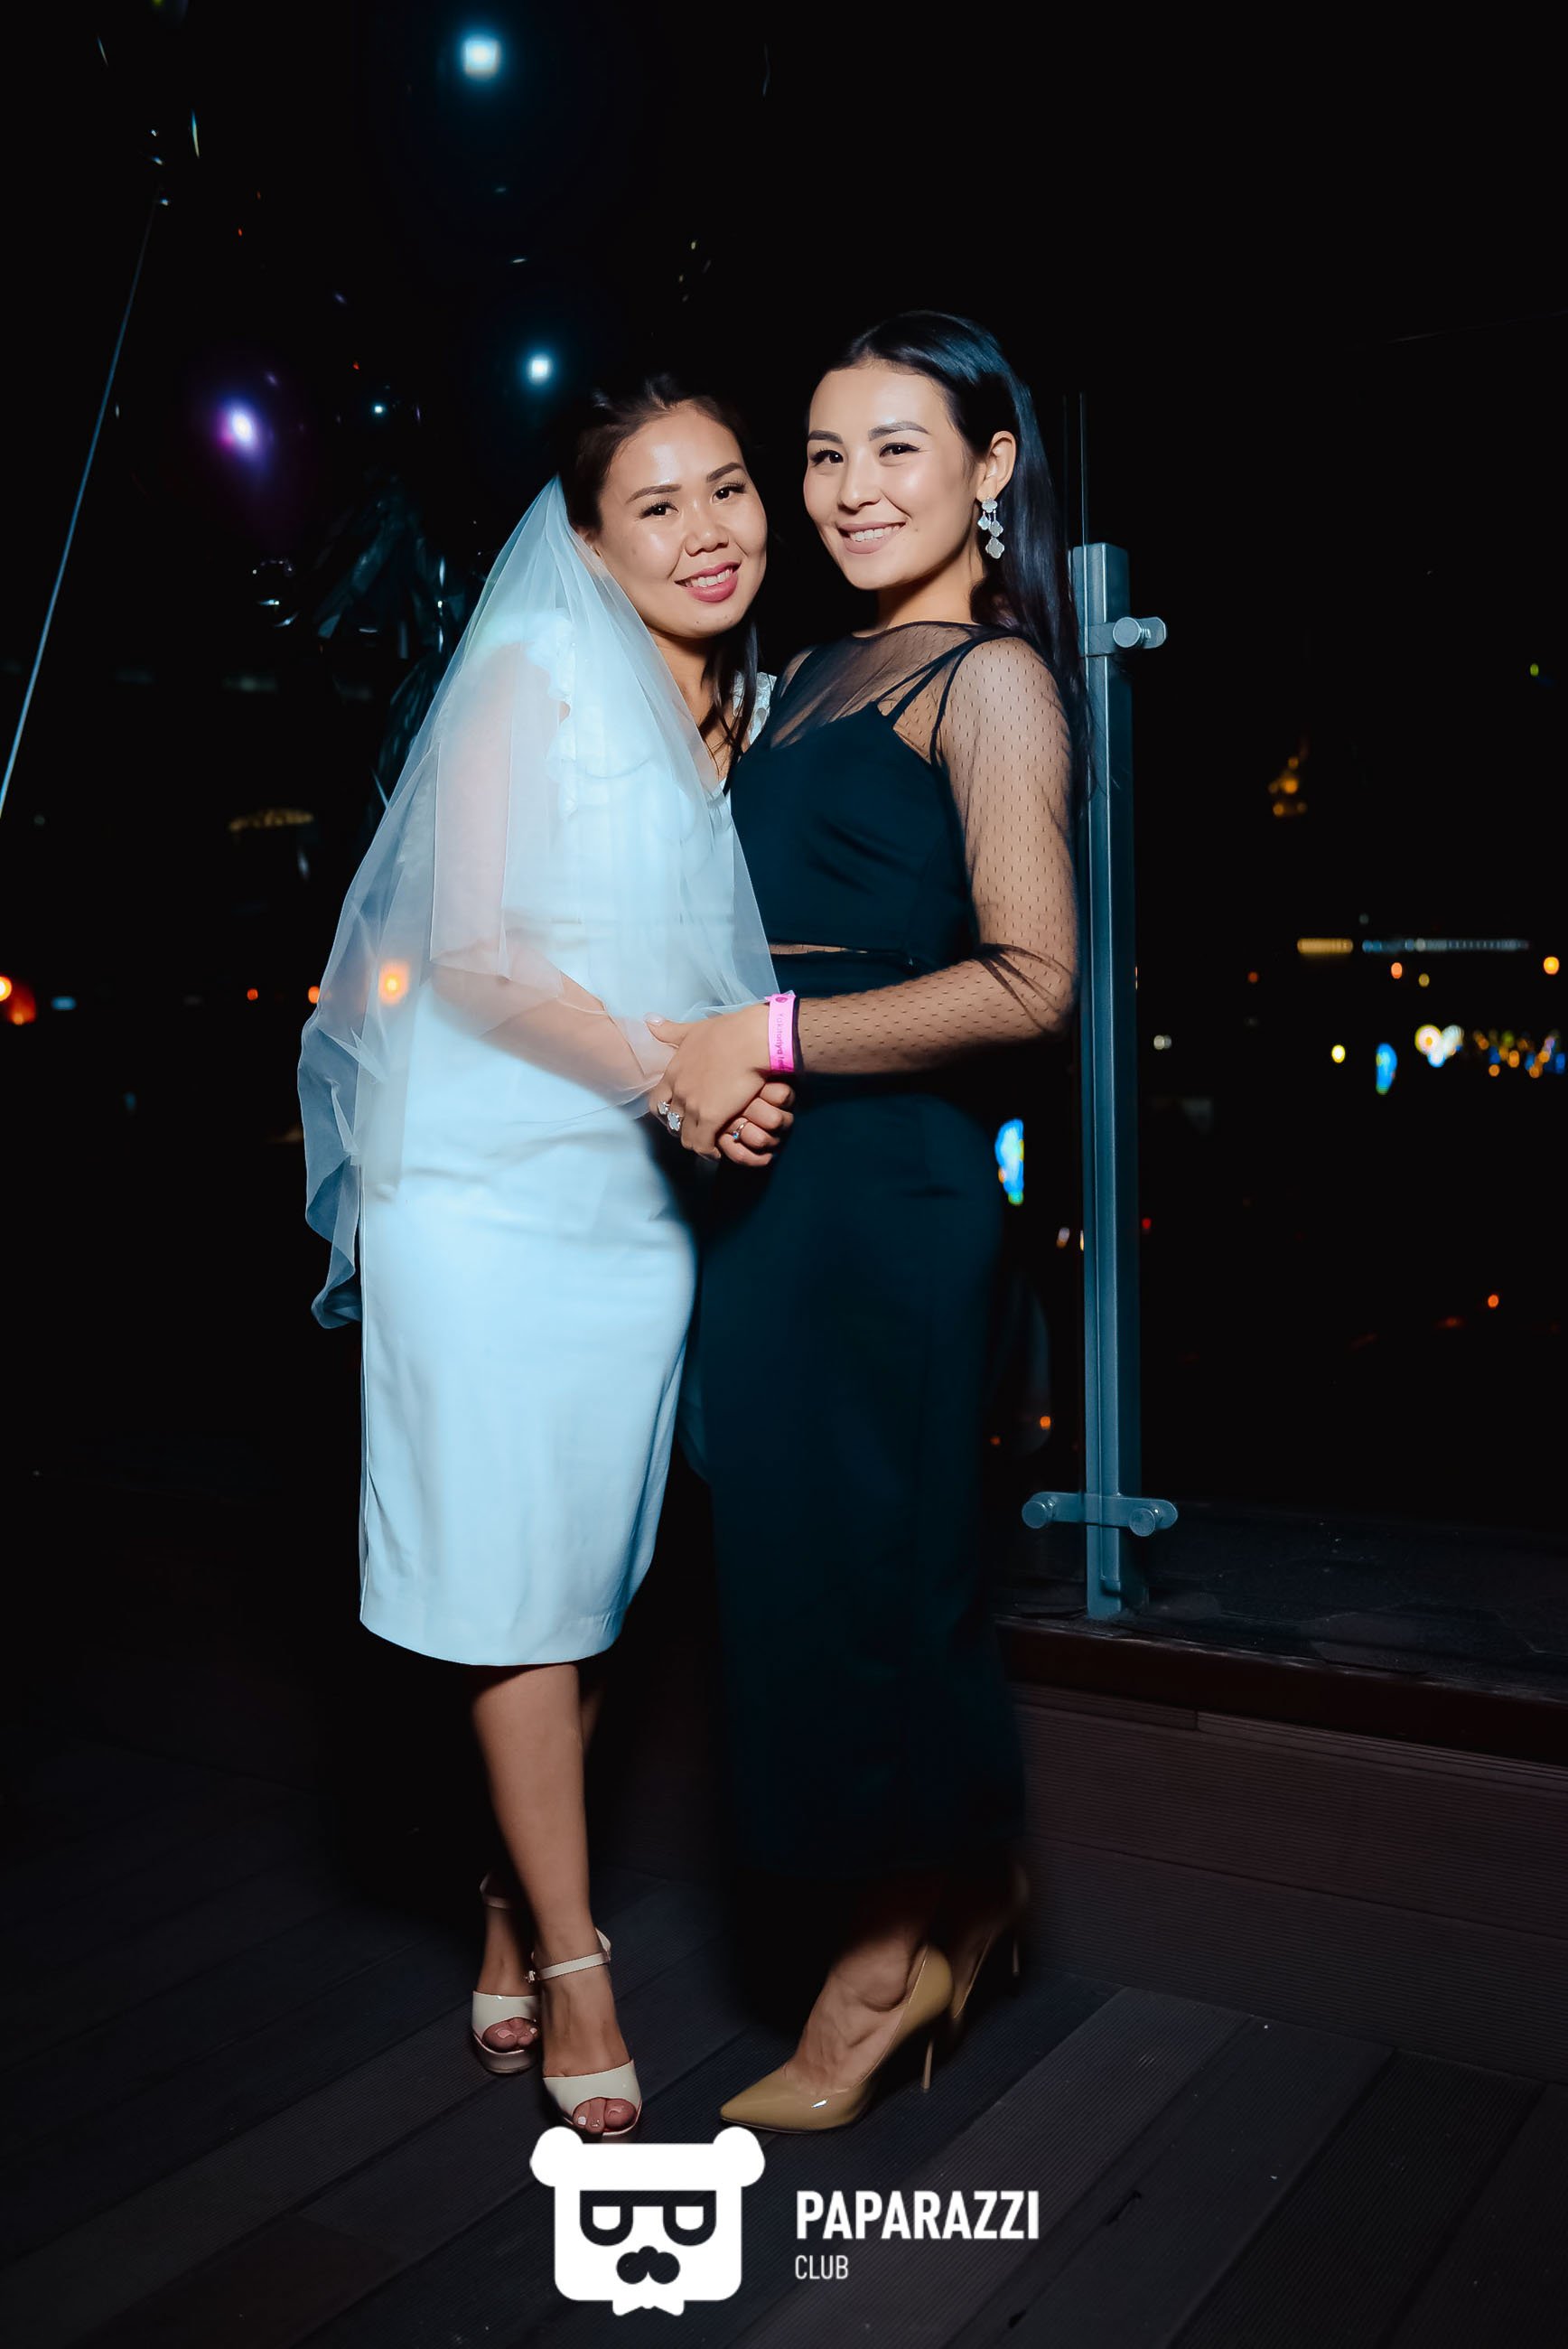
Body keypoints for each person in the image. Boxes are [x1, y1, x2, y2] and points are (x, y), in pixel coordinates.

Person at [297, 381, 793, 2137]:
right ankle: (577, 1964)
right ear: (584, 543)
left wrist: (728, 1083)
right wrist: (676, 1074)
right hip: (484, 1188)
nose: (707, 529)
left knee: (585, 1584)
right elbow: (477, 955)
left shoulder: (754, 702)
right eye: (656, 506)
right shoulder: (527, 676)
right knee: (510, 1582)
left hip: (633, 1209)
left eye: (728, 487)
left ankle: (514, 1900)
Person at [649, 313, 1082, 2129]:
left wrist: (767, 1037)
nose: (848, 489)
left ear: (991, 467)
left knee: (884, 1580)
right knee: (794, 1577)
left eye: (896, 447)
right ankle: (966, 1890)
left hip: (890, 1192)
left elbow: (1034, 980)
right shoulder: (817, 668)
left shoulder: (990, 681)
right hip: (766, 1182)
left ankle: (882, 1974)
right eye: (822, 453)